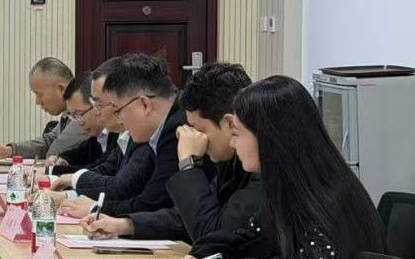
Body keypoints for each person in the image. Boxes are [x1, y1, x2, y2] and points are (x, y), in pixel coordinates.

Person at [175, 76, 384, 259]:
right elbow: (246, 239)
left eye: (238, 134)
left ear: (268, 137)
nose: (233, 144)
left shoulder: (324, 197)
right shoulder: (288, 188)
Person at [84, 62, 262, 243]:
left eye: (198, 129)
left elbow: (211, 233)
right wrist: (125, 225)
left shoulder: (259, 168)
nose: (192, 136)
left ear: (229, 123)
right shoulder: (228, 158)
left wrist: (189, 165)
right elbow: (187, 217)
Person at [54, 53, 183, 219]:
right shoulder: (159, 128)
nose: (120, 120)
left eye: (118, 110)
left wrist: (95, 209)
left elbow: (149, 203)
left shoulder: (176, 129)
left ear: (145, 105)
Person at [0, 57, 90, 160]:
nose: (37, 102)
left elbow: (54, 152)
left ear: (61, 89)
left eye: (39, 94)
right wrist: (10, 150)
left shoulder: (84, 113)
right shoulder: (68, 113)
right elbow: (49, 141)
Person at [49, 72, 108, 168]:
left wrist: (57, 170)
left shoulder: (116, 135)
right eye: (73, 117)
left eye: (80, 114)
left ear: (96, 105)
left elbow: (102, 169)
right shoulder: (95, 138)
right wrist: (61, 160)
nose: (79, 122)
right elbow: (77, 153)